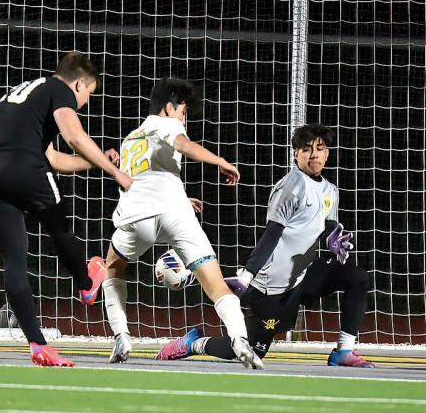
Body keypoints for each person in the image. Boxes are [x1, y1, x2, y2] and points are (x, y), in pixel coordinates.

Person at [156, 123, 374, 368]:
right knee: (248, 351)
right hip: (272, 285)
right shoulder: (290, 187)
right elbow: (271, 234)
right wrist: (248, 276)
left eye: (319, 149)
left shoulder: (330, 190)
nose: (313, 155)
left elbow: (328, 225)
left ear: (327, 153)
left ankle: (343, 352)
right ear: (295, 153)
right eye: (306, 149)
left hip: (303, 276)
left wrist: (334, 237)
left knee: (357, 277)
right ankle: (194, 343)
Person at [0, 52, 132, 367]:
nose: (85, 102)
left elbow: (57, 160)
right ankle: (87, 286)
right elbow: (74, 138)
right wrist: (117, 174)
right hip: (22, 165)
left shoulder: (27, 93)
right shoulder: (59, 89)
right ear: (78, 83)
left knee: (14, 258)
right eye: (89, 94)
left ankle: (37, 346)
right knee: (60, 226)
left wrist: (98, 161)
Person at [102, 78, 263, 370]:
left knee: (112, 266)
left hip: (137, 217)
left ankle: (121, 335)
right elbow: (183, 144)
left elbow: (147, 178)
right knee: (214, 284)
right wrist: (220, 161)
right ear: (169, 107)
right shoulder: (165, 124)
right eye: (184, 111)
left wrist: (179, 196)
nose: (184, 118)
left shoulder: (130, 138)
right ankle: (239, 339)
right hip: (175, 216)